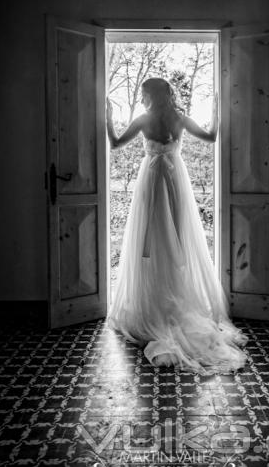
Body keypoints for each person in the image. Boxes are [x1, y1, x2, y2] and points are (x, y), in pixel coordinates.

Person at [106, 77, 248, 375]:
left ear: (150, 96)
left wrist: (107, 116)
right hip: (175, 182)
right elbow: (210, 137)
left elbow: (116, 143)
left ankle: (155, 303)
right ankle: (173, 299)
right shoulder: (179, 118)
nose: (142, 98)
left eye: (144, 93)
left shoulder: (144, 120)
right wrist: (217, 109)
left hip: (153, 180)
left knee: (153, 238)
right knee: (177, 241)